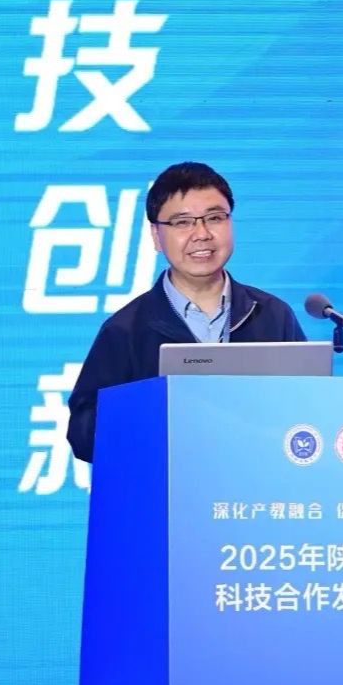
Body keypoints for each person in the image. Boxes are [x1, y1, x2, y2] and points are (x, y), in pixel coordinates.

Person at [66, 161, 307, 463]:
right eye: (182, 223)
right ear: (156, 236)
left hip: (258, 482)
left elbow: (311, 409)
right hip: (165, 485)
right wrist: (154, 413)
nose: (202, 234)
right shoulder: (126, 329)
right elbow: (83, 434)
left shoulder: (272, 314)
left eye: (214, 218)